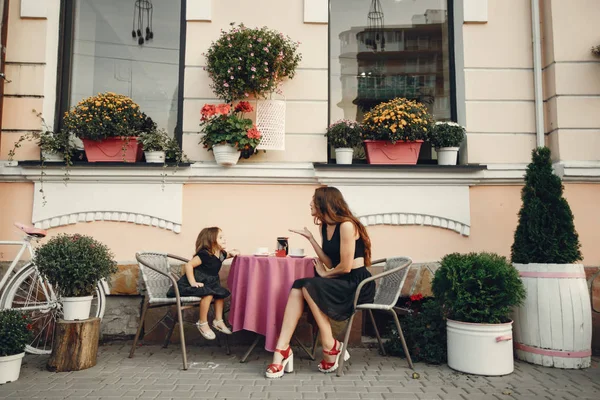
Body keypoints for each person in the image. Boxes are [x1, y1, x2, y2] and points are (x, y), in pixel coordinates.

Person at [265, 186, 376, 378]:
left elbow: (346, 267)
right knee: (299, 286)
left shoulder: (347, 225)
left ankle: (328, 343)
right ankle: (282, 349)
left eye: (313, 200)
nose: (310, 204)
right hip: (340, 279)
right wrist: (311, 239)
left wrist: (325, 276)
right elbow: (331, 262)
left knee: (308, 284)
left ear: (325, 203)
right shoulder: (325, 226)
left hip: (356, 283)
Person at [167, 227, 239, 340]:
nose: (224, 239)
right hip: (191, 285)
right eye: (220, 237)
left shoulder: (221, 254)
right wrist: (193, 282)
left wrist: (234, 253)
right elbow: (189, 265)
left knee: (220, 293)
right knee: (209, 293)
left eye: (224, 237)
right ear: (211, 240)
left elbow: (226, 256)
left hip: (209, 284)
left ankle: (218, 321)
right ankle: (202, 323)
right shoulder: (204, 255)